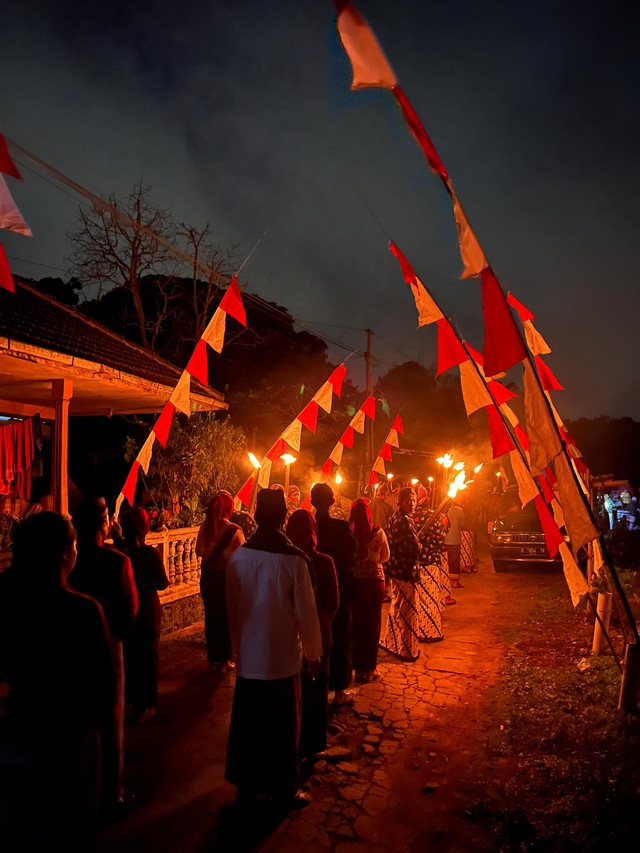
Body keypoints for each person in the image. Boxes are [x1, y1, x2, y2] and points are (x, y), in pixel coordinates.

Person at [0, 512, 115, 850]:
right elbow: (104, 686)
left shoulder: (6, 598)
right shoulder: (81, 610)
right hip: (69, 740)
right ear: (65, 552)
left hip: (17, 730)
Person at [225, 489, 322, 805]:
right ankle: (285, 788)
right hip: (283, 659)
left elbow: (233, 609)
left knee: (250, 726)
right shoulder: (294, 561)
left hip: (251, 658)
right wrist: (314, 653)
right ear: (283, 518)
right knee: (282, 728)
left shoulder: (239, 557)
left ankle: (247, 787)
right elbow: (307, 612)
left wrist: (237, 648)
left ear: (255, 516)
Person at [69, 496, 138, 808]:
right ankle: (112, 792)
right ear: (103, 523)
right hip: (109, 644)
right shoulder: (115, 560)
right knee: (111, 721)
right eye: (109, 515)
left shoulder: (70, 559)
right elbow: (131, 607)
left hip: (69, 646)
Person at [286, 509, 339, 759]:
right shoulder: (324, 561)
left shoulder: (286, 560)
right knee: (317, 689)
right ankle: (314, 744)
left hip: (292, 633)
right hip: (319, 628)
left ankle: (294, 741)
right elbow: (333, 601)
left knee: (296, 690)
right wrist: (322, 620)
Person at [120, 508, 169, 722]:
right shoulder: (151, 554)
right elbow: (163, 583)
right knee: (148, 657)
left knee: (129, 656)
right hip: (147, 607)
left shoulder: (120, 552)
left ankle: (129, 702)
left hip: (126, 607)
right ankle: (146, 707)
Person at [311, 483, 357, 707]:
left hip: (313, 591)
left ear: (311, 502)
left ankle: (316, 691)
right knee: (340, 639)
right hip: (339, 589)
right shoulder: (340, 527)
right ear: (332, 501)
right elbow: (353, 553)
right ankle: (339, 693)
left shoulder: (308, 527)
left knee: (315, 640)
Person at [196, 491, 244, 673]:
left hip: (208, 578)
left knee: (211, 617)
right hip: (225, 578)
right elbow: (241, 555)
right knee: (225, 617)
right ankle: (224, 661)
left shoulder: (204, 527)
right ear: (229, 508)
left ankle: (213, 658)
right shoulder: (234, 530)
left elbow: (199, 550)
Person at [380, 488, 429, 661]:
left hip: (396, 571)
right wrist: (421, 547)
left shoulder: (394, 518)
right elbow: (414, 549)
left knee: (397, 608)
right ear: (399, 501)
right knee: (407, 611)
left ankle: (392, 642)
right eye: (408, 500)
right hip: (406, 571)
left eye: (414, 500)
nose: (412, 503)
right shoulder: (404, 521)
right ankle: (407, 650)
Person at [349, 499, 389, 683]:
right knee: (372, 626)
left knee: (356, 625)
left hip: (355, 583)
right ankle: (370, 668)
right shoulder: (378, 532)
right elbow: (386, 556)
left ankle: (357, 669)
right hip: (374, 583)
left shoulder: (348, 532)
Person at [445, 497, 466, 589]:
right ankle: (455, 582)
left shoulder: (441, 512)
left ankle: (445, 581)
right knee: (455, 561)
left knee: (445, 561)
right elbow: (462, 523)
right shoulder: (460, 510)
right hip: (455, 539)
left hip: (444, 539)